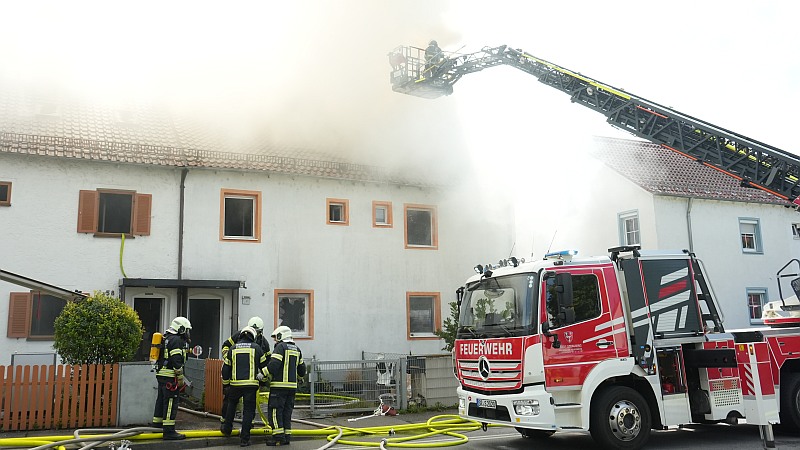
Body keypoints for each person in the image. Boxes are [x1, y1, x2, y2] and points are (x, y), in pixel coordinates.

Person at [220, 326, 269, 447]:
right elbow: (264, 368)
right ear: (253, 336)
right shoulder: (257, 348)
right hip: (251, 386)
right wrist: (263, 382)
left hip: (235, 385)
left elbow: (226, 369)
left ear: (241, 335)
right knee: (248, 410)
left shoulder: (233, 349)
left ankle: (227, 429)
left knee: (232, 405)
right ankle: (244, 439)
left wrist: (226, 385)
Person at [151, 316, 192, 440]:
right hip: (170, 377)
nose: (187, 333)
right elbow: (176, 360)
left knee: (161, 400)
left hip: (162, 374)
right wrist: (180, 377)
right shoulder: (176, 340)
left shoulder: (167, 338)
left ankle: (157, 425)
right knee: (170, 403)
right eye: (186, 330)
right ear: (180, 328)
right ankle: (169, 431)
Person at [265, 325, 306, 446]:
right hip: (292, 388)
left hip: (279, 387)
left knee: (275, 412)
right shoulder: (297, 349)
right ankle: (286, 436)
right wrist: (299, 377)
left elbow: (274, 365)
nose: (275, 341)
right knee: (287, 413)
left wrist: (263, 374)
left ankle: (278, 437)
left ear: (281, 336)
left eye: (276, 337)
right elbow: (302, 370)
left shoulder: (280, 347)